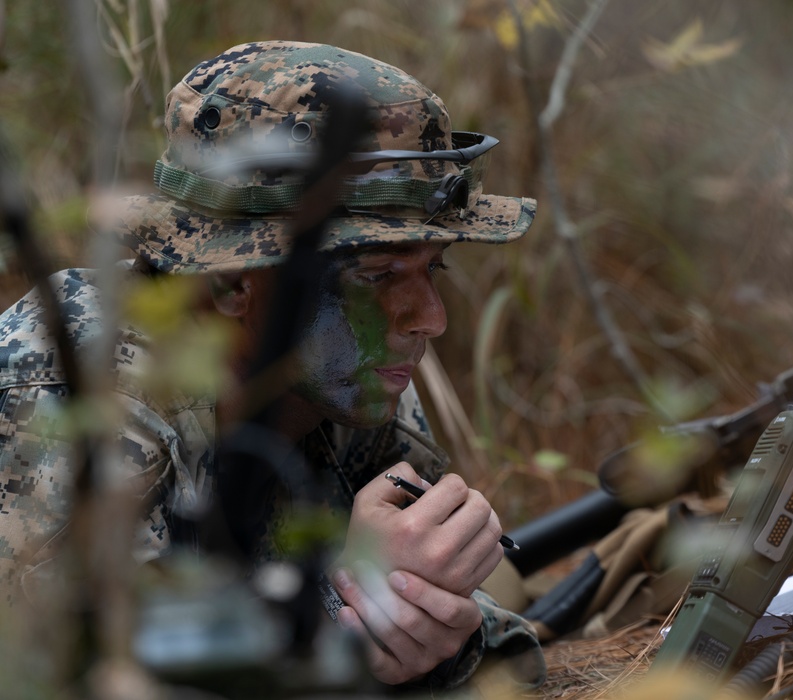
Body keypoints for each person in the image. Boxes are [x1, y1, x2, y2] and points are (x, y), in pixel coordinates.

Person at [0, 41, 544, 690]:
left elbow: (480, 637)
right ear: (233, 283)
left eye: (433, 269)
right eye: (374, 275)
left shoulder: (343, 382)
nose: (430, 317)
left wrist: (439, 638)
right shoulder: (73, 399)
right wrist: (328, 625)